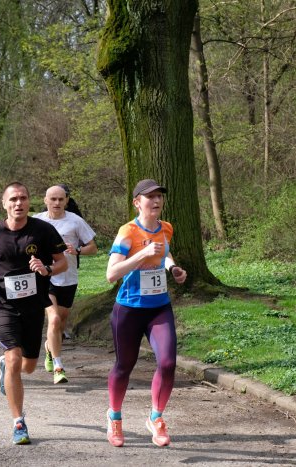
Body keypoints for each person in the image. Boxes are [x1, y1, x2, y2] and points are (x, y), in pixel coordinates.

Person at [0, 181, 67, 444]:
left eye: (23, 198)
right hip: (4, 305)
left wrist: (46, 269)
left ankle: (7, 366)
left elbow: (62, 262)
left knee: (28, 367)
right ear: (4, 204)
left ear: (30, 202)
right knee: (15, 360)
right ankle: (19, 422)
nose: (19, 203)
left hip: (34, 305)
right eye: (13, 199)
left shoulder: (43, 230)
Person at [104, 179, 187, 448]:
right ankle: (115, 418)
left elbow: (165, 253)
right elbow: (111, 274)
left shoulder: (166, 228)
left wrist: (172, 267)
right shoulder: (127, 232)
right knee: (124, 366)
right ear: (137, 202)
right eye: (149, 196)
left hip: (158, 307)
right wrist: (142, 255)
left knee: (167, 363)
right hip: (128, 308)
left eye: (159, 196)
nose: (156, 200)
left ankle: (156, 417)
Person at [33, 185, 97, 384]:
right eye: (53, 199)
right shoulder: (36, 221)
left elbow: (93, 248)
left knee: (60, 323)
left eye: (61, 199)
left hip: (68, 278)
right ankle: (59, 367)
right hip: (45, 277)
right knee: (52, 320)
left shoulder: (75, 221)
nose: (57, 203)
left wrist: (77, 250)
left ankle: (50, 349)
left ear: (67, 200)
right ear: (45, 200)